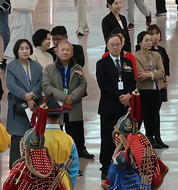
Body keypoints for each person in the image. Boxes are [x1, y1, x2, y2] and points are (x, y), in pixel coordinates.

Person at [97, 33, 138, 176]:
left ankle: (125, 163)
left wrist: (128, 95)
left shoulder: (128, 62)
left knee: (125, 138)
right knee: (108, 138)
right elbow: (103, 84)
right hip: (109, 106)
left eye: (117, 44)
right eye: (112, 45)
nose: (115, 47)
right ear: (107, 46)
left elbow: (133, 81)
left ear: (122, 45)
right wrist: (120, 97)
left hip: (125, 107)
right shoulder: (101, 63)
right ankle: (106, 167)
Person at [43, 40, 92, 160]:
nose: (65, 52)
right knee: (56, 136)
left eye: (68, 50)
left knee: (75, 134)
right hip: (57, 105)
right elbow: (46, 86)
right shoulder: (49, 69)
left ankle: (76, 159)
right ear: (57, 52)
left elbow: (83, 84)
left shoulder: (77, 68)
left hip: (73, 105)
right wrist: (65, 97)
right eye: (62, 50)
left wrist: (72, 97)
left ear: (72, 53)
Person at [4, 41, 42, 162]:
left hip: (35, 104)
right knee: (18, 137)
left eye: (27, 48)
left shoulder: (37, 66)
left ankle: (35, 165)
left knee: (35, 136)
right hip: (18, 104)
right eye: (21, 49)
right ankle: (16, 166)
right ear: (16, 51)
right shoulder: (11, 67)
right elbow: (11, 85)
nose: (25, 51)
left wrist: (33, 94)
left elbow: (41, 83)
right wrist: (25, 96)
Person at [132, 30, 168, 150]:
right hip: (143, 91)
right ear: (140, 43)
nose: (149, 42)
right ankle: (136, 141)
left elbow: (162, 72)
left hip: (155, 90)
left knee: (153, 116)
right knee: (142, 116)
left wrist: (149, 75)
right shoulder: (135, 56)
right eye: (146, 40)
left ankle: (151, 139)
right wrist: (153, 74)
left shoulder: (156, 55)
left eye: (150, 40)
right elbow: (140, 75)